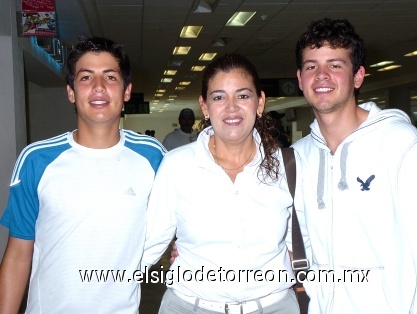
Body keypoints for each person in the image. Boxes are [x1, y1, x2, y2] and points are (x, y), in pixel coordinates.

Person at [292, 18, 417, 313]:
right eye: (311, 66)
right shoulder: (298, 157)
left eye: (335, 65)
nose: (322, 75)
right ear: (300, 79)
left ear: (358, 76)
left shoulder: (401, 144)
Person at [0, 37, 165, 313]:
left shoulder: (153, 157)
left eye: (110, 77)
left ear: (127, 91)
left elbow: (183, 217)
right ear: (71, 92)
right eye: (86, 77)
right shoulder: (36, 160)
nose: (99, 87)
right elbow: (18, 255)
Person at [141, 53, 300, 313]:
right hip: (190, 305)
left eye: (243, 95)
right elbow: (150, 242)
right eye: (218, 97)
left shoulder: (286, 166)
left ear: (260, 102)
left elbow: (303, 239)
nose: (231, 107)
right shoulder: (177, 165)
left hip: (273, 306)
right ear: (204, 106)